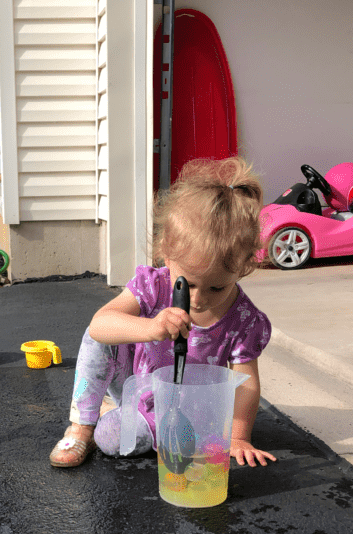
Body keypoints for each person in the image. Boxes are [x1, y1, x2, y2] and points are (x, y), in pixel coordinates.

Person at [50, 156, 277, 469]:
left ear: (244, 266)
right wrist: (152, 328)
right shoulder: (153, 286)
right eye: (189, 284)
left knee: (113, 440)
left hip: (187, 410)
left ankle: (111, 414)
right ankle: (83, 424)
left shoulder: (243, 319)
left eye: (217, 288)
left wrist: (238, 437)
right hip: (138, 383)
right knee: (99, 338)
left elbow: (247, 384)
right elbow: (100, 325)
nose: (198, 299)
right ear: (166, 254)